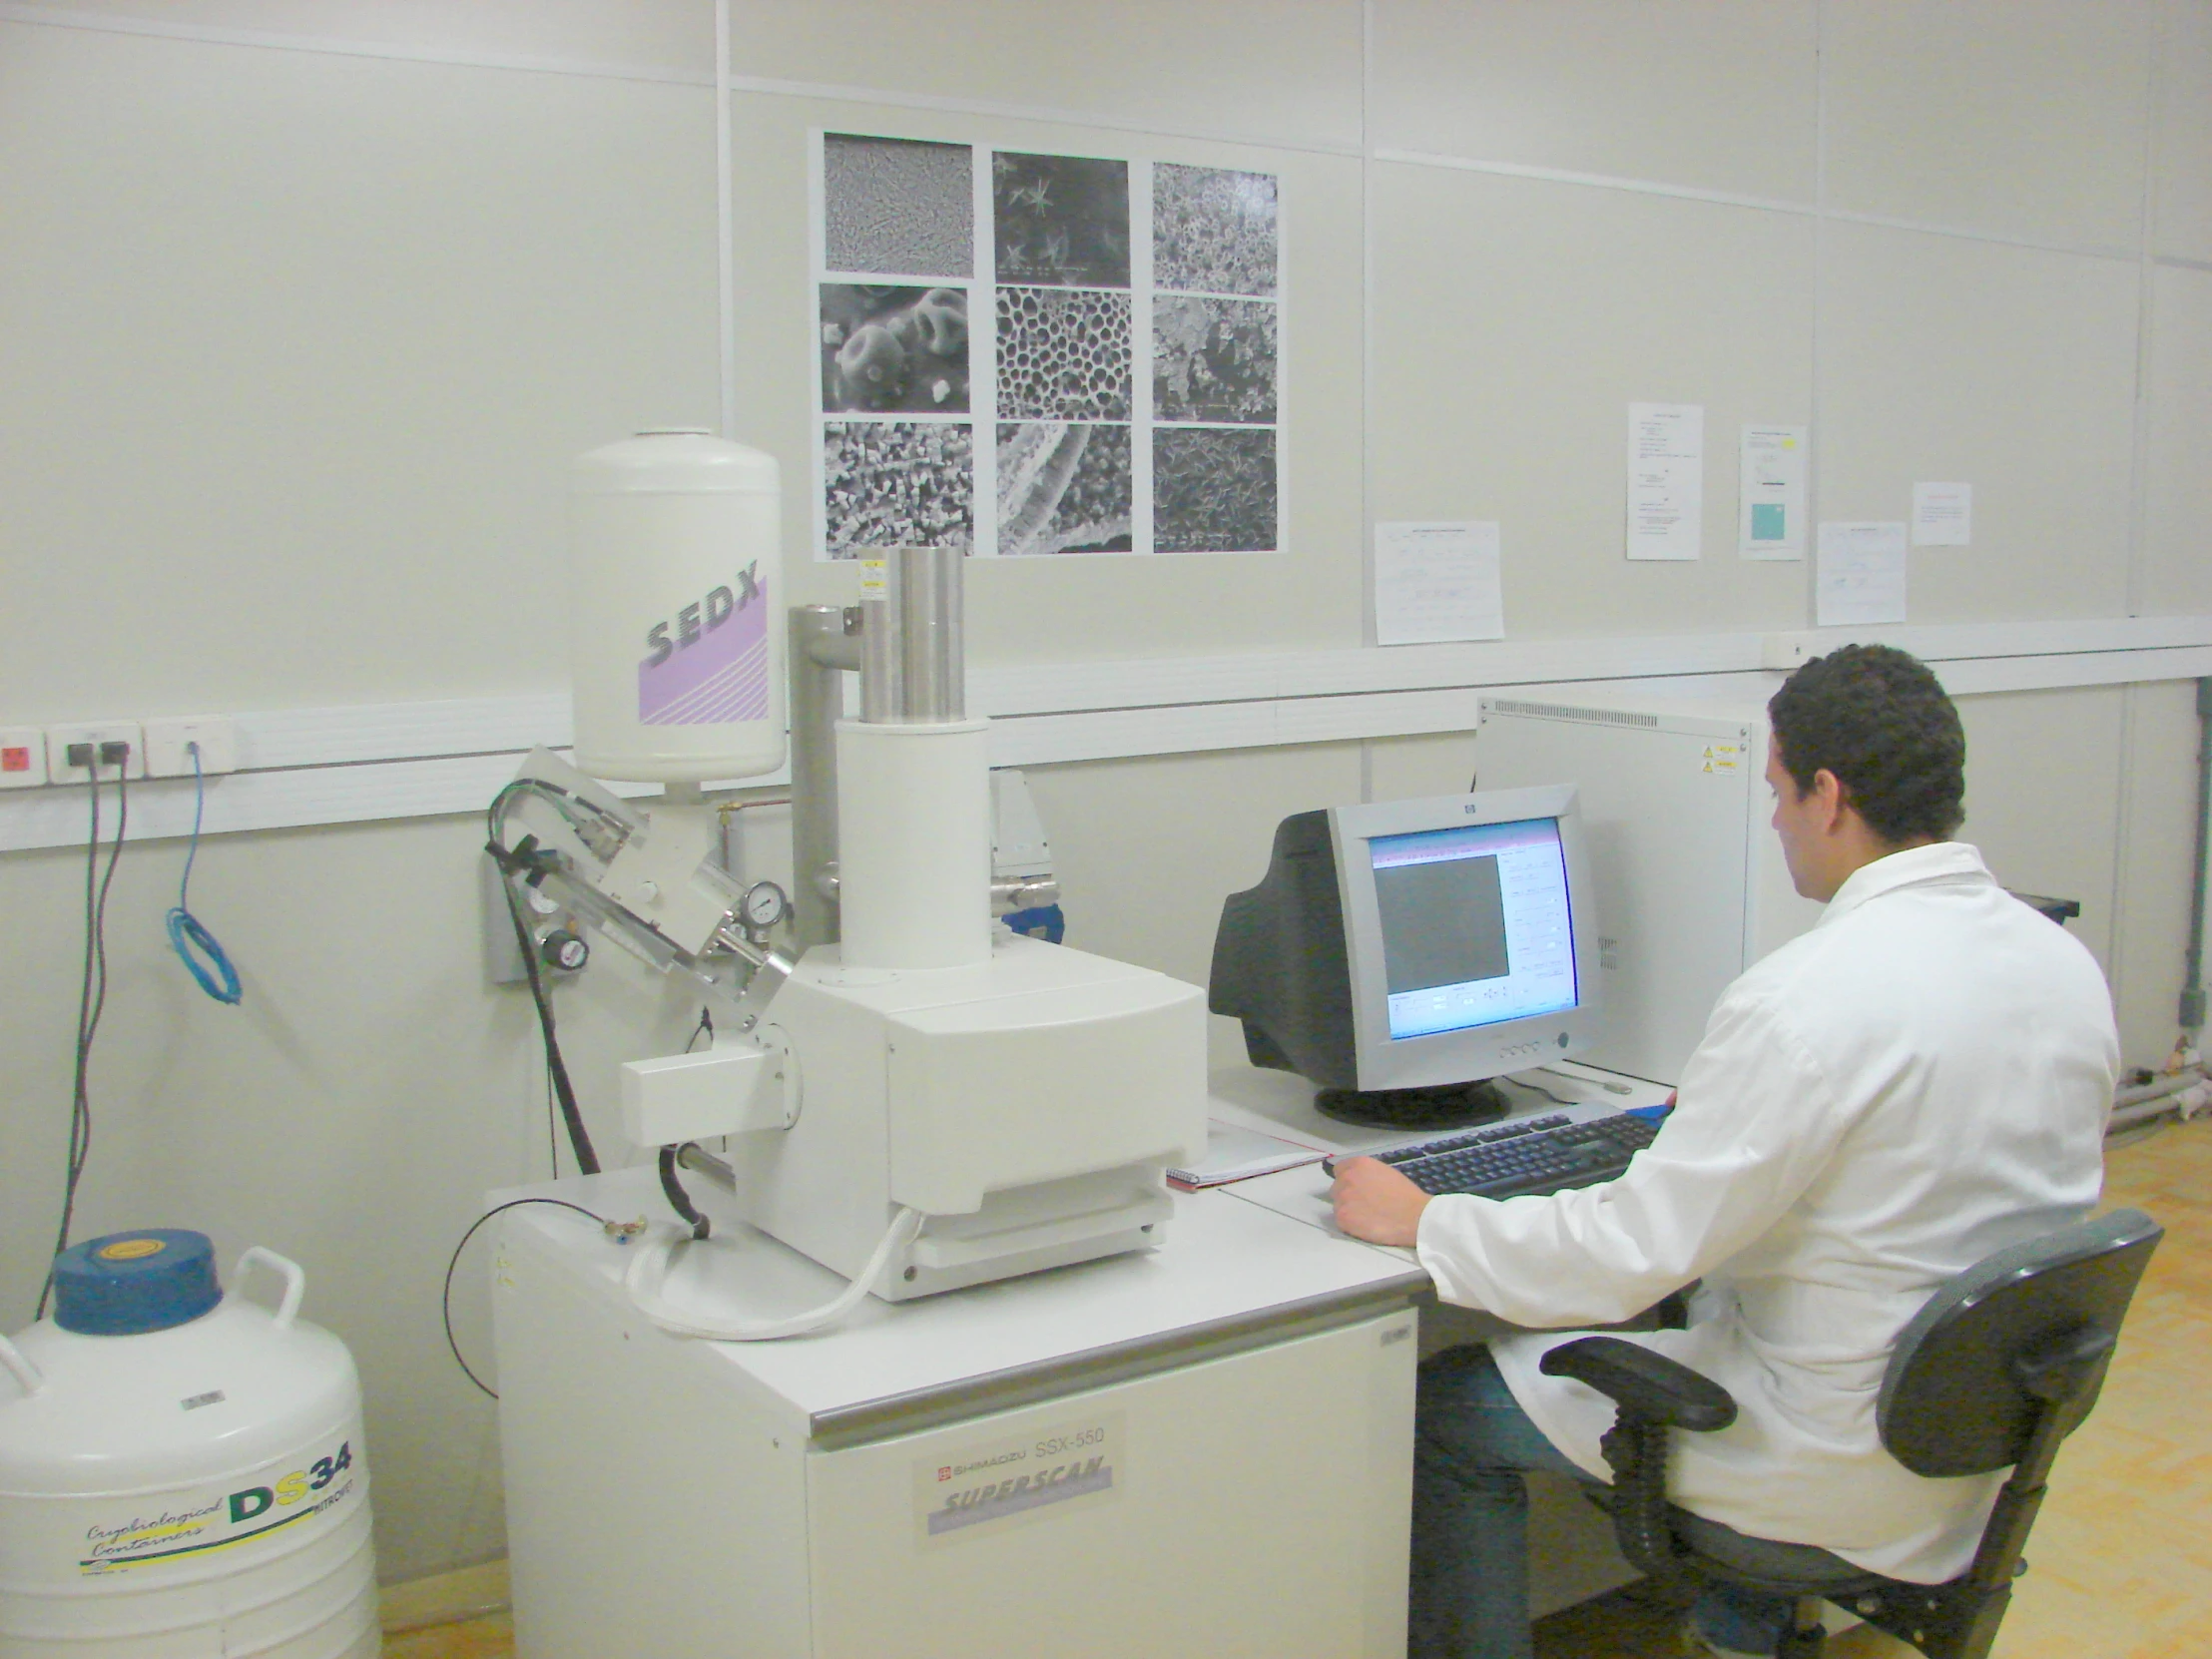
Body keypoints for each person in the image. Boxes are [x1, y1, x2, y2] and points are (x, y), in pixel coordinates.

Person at [1330, 644, 2118, 1659]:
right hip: (1969, 1453)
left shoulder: (1807, 999)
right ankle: (1735, 1632)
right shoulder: (2058, 964)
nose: (1778, 820)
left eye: (1780, 793)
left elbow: (1628, 1254)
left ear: (1828, 796)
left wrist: (1426, 1219)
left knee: (1447, 1413)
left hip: (1832, 1458)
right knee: (1724, 1316)